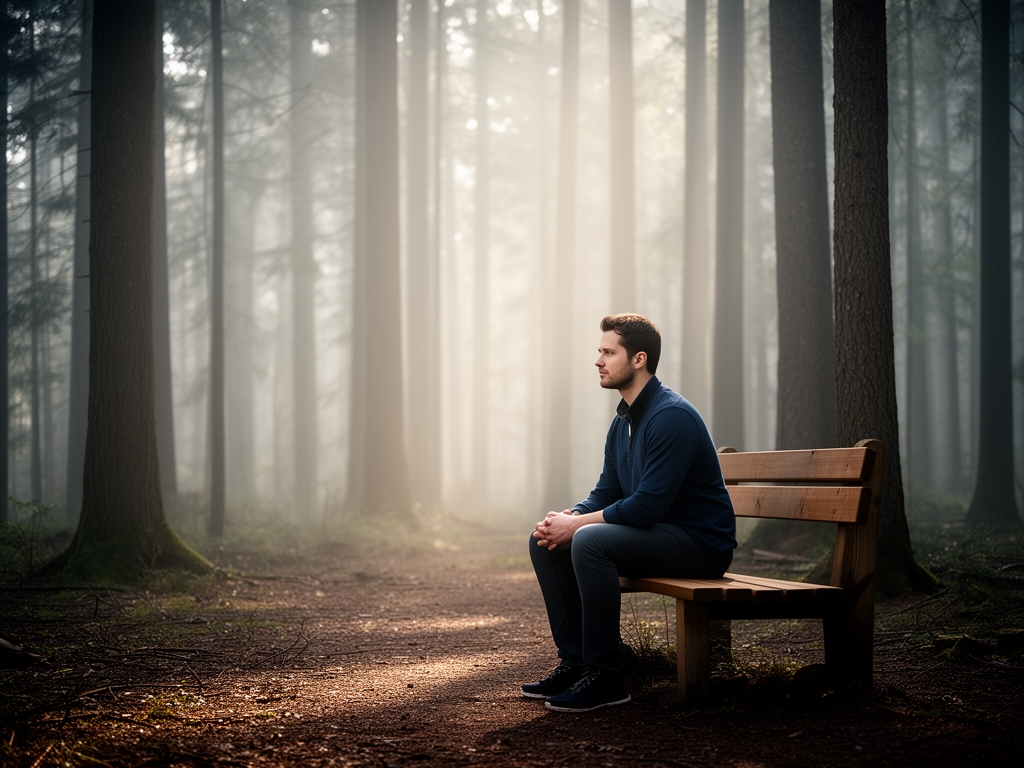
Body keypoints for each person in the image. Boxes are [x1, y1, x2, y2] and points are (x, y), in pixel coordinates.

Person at [523, 313, 737, 712]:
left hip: (700, 543)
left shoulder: (670, 416)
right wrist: (566, 517)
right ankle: (577, 662)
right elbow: (608, 491)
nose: (598, 360)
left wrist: (578, 525)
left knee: (588, 541)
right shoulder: (623, 419)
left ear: (639, 359)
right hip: (661, 533)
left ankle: (607, 677)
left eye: (608, 352)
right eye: (599, 351)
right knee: (544, 542)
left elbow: (647, 506)